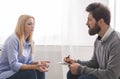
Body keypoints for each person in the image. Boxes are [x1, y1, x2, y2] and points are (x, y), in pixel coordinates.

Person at [64, 2, 120, 79]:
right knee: (71, 74)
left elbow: (112, 75)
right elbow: (94, 63)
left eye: (90, 20)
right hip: (104, 75)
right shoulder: (98, 40)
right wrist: (75, 62)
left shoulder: (116, 42)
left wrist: (80, 69)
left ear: (101, 21)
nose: (86, 23)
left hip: (110, 76)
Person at [0, 14, 50, 79]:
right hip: (7, 73)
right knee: (31, 72)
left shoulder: (31, 42)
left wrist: (38, 64)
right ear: (21, 26)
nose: (33, 26)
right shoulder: (13, 40)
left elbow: (28, 63)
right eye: (29, 24)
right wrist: (34, 67)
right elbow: (14, 65)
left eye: (33, 24)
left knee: (39, 70)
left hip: (19, 72)